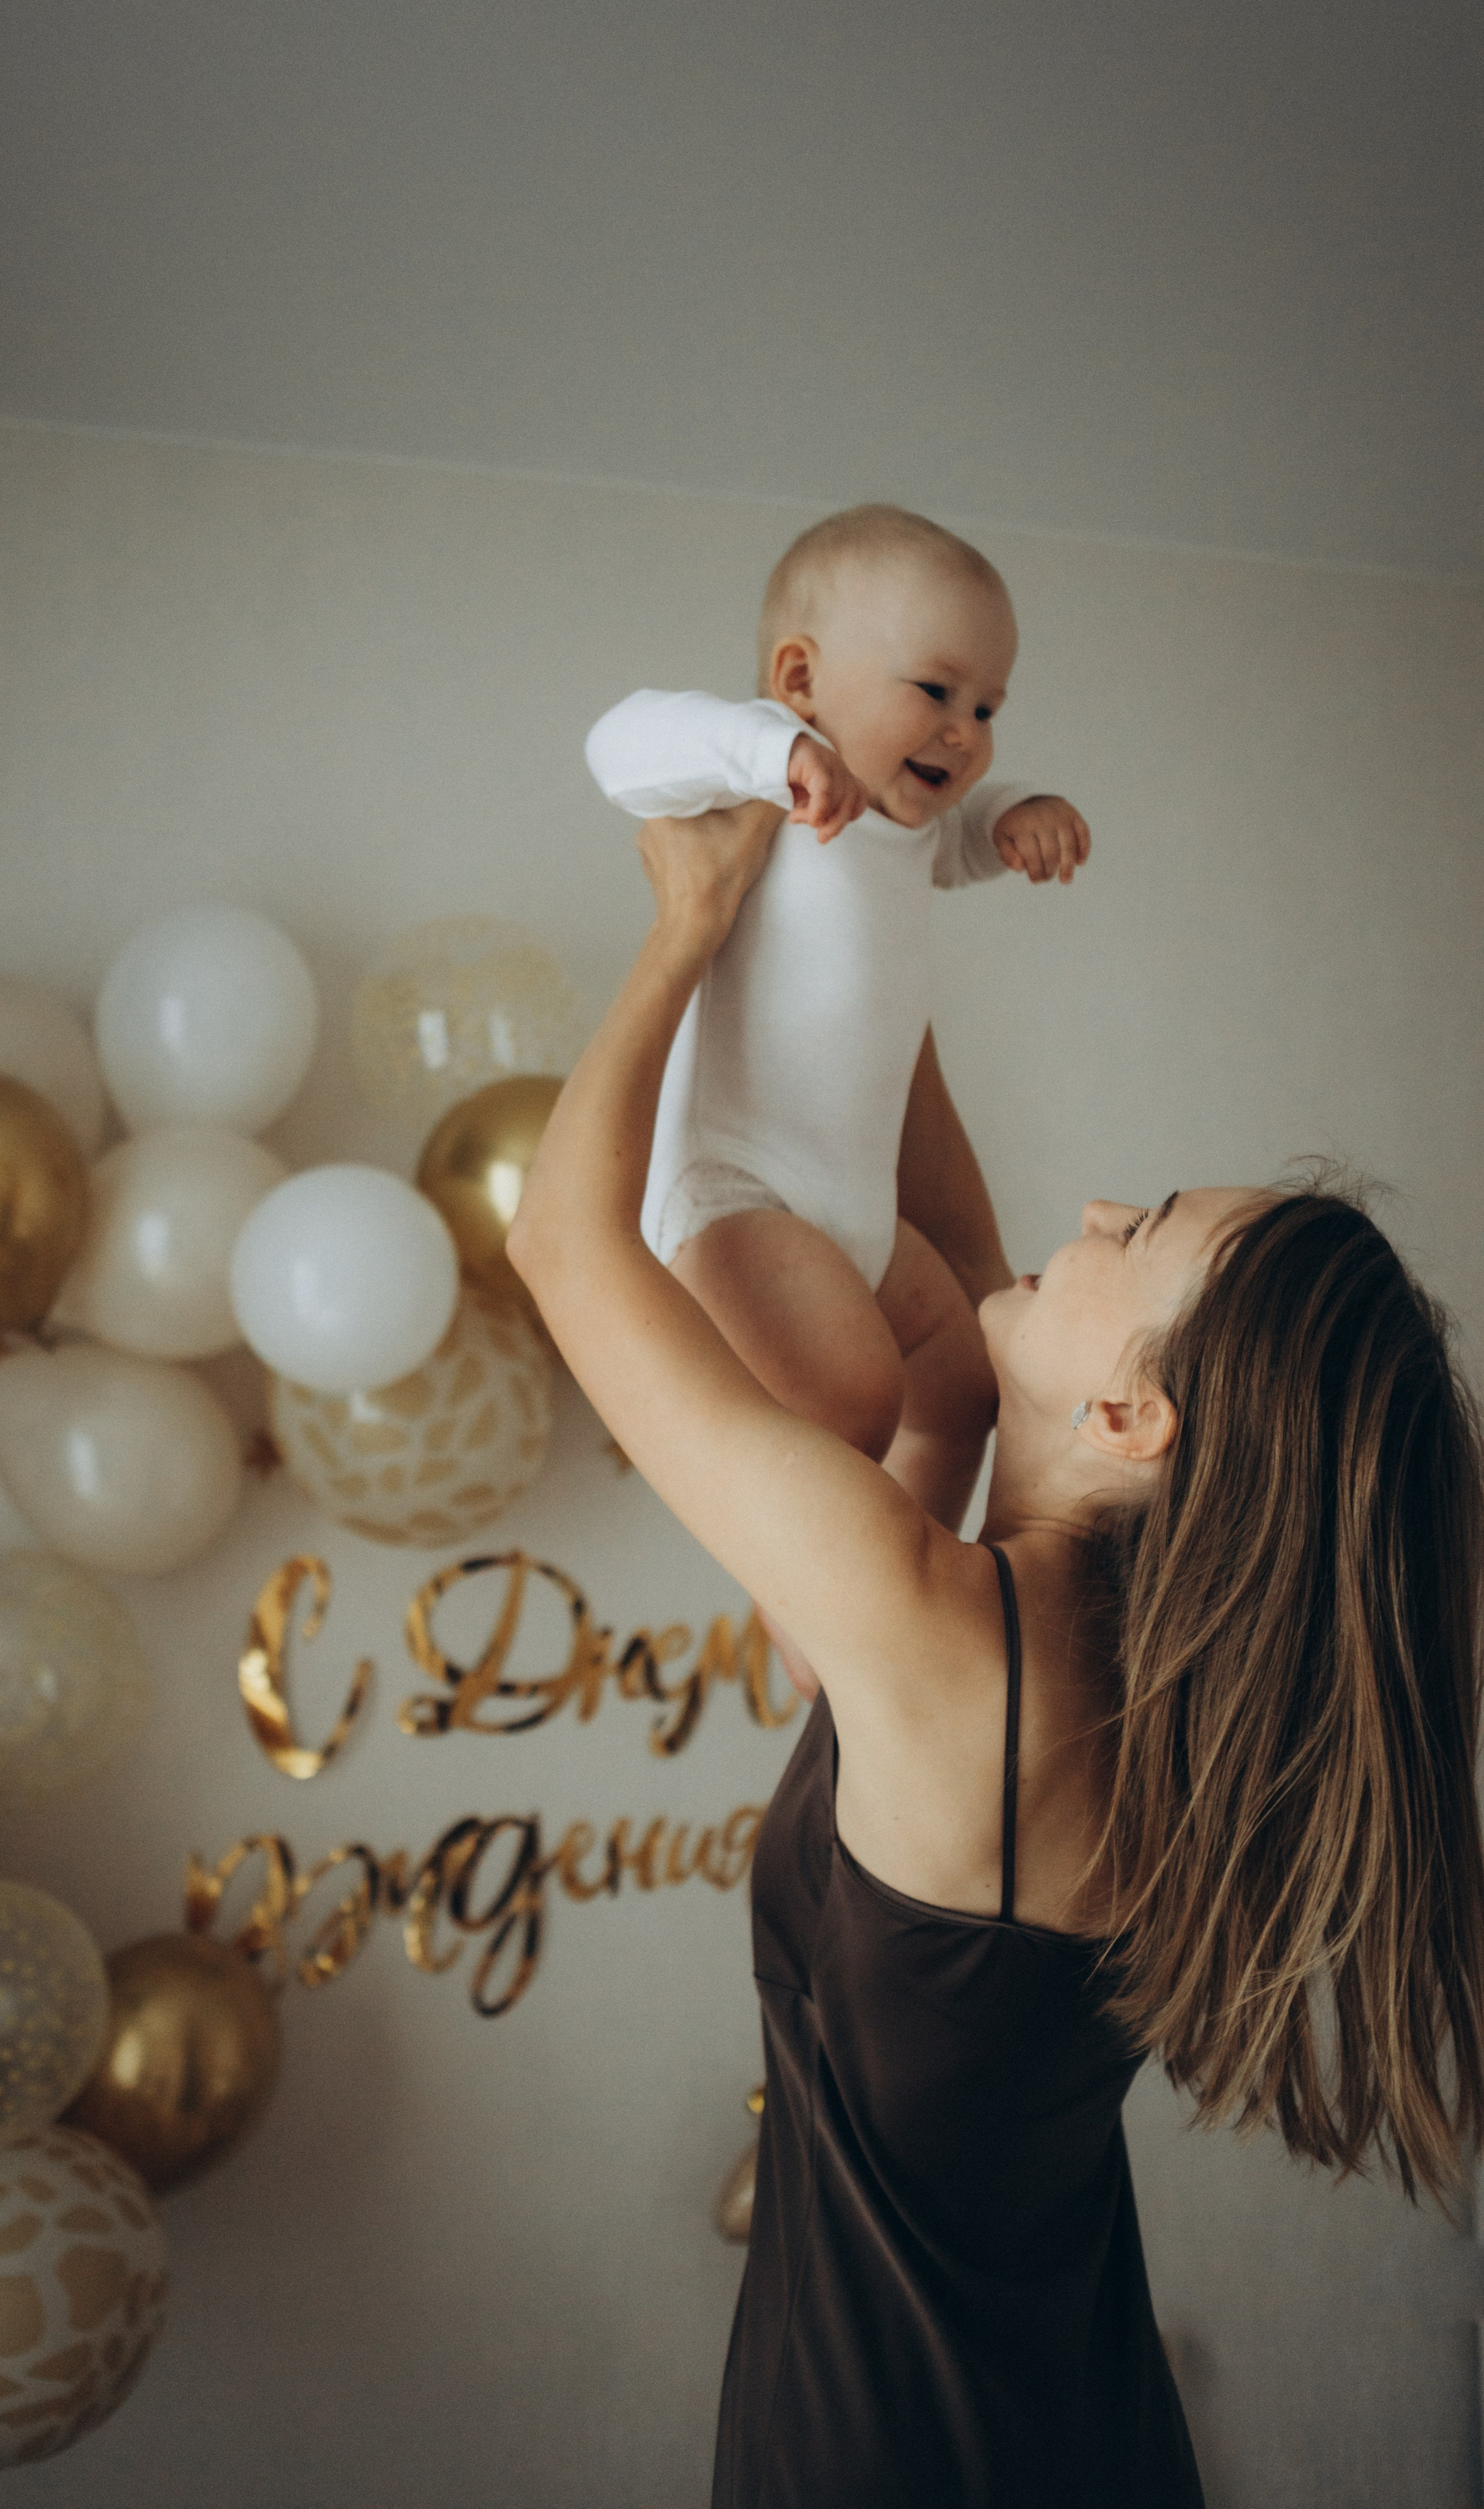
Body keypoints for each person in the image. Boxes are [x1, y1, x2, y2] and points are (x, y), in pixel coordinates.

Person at [507, 797, 1484, 2509]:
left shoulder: (944, 1636)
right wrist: (867, 895)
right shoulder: (1121, 1688)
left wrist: (685, 925)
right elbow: (961, 1297)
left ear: (1132, 1415)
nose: (1092, 1207)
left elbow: (558, 1245)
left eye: (1143, 1224)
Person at [585, 505, 1091, 1569]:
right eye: (936, 691)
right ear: (801, 678)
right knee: (852, 1402)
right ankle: (814, 1610)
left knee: (963, 1383)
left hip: (853, 1206)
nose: (966, 731)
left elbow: (963, 841)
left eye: (988, 708)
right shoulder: (770, 783)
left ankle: (905, 1577)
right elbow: (618, 748)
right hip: (739, 1189)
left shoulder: (912, 830)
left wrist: (1020, 811)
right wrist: (770, 750)